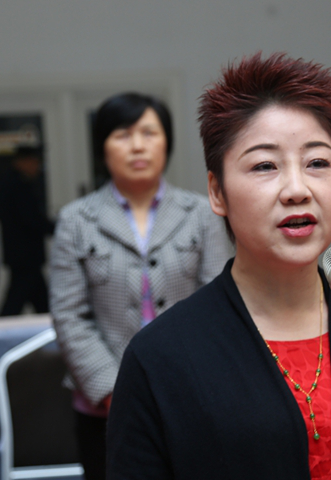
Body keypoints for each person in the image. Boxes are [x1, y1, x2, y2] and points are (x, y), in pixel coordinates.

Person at [106, 53, 331, 479]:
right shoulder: (160, 356)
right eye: (265, 166)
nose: (297, 189)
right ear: (217, 192)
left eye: (317, 163)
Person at [49, 92, 230, 480]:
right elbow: (68, 315)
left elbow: (219, 303)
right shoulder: (76, 220)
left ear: (167, 142)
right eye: (122, 134)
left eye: (149, 133)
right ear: (102, 147)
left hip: (190, 393)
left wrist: (186, 384)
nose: (137, 146)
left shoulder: (202, 214)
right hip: (102, 407)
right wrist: (115, 391)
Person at [0, 146, 55, 316]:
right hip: (24, 255)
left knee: (37, 299)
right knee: (17, 300)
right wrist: (56, 228)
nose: (37, 167)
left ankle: (51, 323)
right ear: (22, 162)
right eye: (34, 162)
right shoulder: (18, 186)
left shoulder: (14, 183)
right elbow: (31, 219)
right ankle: (2, 328)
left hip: (23, 256)